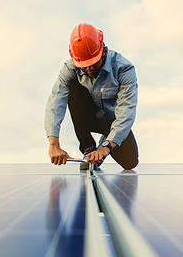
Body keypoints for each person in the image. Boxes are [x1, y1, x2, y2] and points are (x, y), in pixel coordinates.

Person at [44, 23, 139, 170]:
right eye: (84, 65)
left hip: (113, 121)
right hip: (88, 117)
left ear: (104, 51)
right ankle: (88, 148)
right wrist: (53, 144)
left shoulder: (124, 69)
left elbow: (127, 112)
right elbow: (55, 102)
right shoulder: (69, 69)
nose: (89, 68)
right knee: (71, 87)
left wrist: (105, 148)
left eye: (93, 63)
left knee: (130, 163)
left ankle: (104, 141)